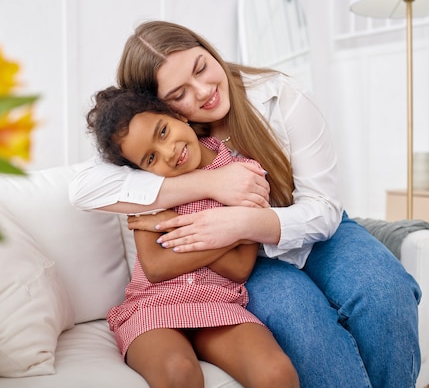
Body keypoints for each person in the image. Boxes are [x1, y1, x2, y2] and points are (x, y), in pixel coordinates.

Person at [70, 20, 422, 388]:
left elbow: (323, 207)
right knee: (299, 318)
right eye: (180, 94)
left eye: (202, 68)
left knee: (385, 292)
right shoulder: (166, 148)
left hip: (312, 227)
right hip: (254, 261)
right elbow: (82, 189)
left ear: (208, 50)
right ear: (161, 105)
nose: (204, 91)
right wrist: (210, 183)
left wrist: (236, 224)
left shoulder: (278, 94)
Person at [86, 86, 299, 388]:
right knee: (179, 372)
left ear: (177, 115)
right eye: (150, 158)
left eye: (162, 132)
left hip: (220, 305)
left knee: (277, 373)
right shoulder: (145, 188)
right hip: (154, 308)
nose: (169, 152)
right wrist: (231, 234)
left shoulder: (244, 174)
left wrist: (176, 223)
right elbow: (158, 268)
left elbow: (240, 268)